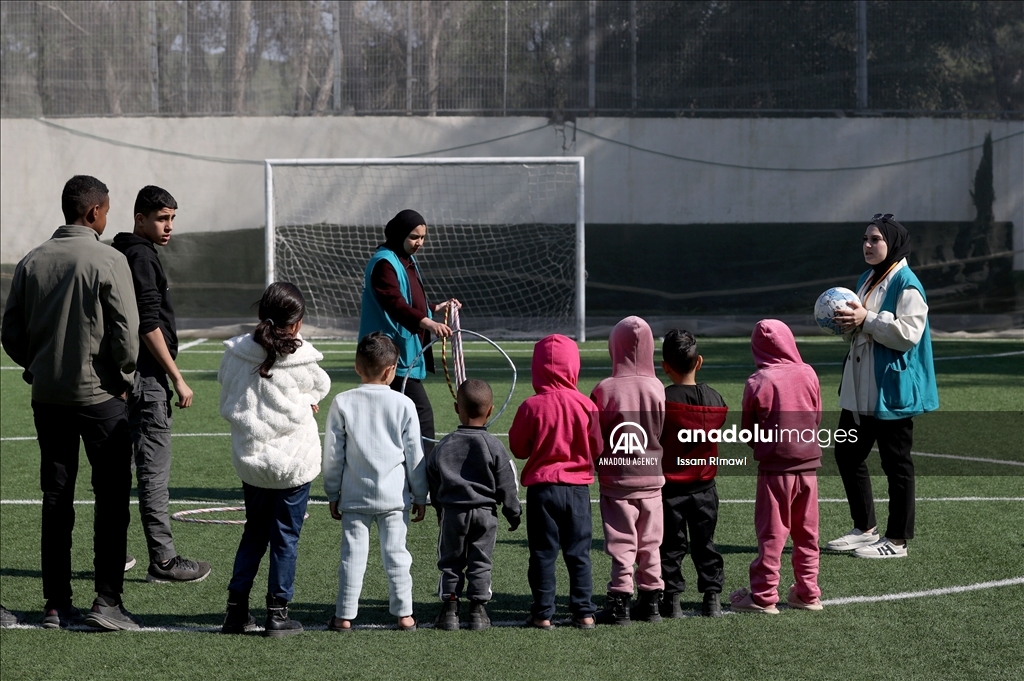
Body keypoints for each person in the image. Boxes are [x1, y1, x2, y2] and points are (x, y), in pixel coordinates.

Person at [1, 175, 142, 630]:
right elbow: (127, 333)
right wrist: (121, 377)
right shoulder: (108, 258)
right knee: (112, 498)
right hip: (100, 397)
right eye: (107, 209)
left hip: (49, 398)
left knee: (56, 498)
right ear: (94, 212)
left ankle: (56, 605)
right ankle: (107, 602)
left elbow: (11, 333)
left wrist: (37, 367)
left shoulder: (31, 260)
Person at [217, 282, 331, 637]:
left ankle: (236, 612)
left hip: (253, 462)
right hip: (294, 464)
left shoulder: (236, 353)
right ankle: (278, 615)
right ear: (296, 324)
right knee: (286, 538)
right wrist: (307, 399)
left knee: (254, 532)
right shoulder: (303, 357)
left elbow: (226, 386)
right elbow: (322, 385)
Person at [111, 185, 210, 584]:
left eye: (172, 218)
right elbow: (147, 323)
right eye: (161, 219)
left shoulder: (121, 251)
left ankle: (112, 553)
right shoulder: (141, 257)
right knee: (153, 473)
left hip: (119, 378)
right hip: (145, 379)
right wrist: (178, 377)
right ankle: (164, 562)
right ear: (140, 219)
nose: (169, 226)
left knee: (116, 471)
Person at [828, 214, 938, 559]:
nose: (867, 245)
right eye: (864, 239)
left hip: (890, 390)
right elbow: (860, 327)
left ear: (893, 243)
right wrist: (844, 323)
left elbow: (908, 335)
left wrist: (866, 320)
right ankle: (865, 528)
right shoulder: (867, 278)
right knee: (847, 455)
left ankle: (898, 540)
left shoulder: (907, 283)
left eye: (875, 239)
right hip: (858, 390)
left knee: (897, 465)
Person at [322, 332, 428, 632]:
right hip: (395, 497)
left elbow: (333, 453)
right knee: (397, 555)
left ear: (357, 366)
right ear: (390, 370)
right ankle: (405, 614)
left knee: (352, 556)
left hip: (354, 496)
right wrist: (420, 494)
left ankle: (344, 615)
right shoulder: (404, 403)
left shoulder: (342, 402)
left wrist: (332, 491)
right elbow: (415, 454)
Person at [509, 334, 602, 630]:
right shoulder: (587, 405)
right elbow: (598, 447)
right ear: (574, 366)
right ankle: (584, 612)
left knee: (542, 554)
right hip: (577, 491)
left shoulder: (531, 406)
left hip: (542, 490)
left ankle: (542, 613)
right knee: (579, 553)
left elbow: (519, 448)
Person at [730, 320, 823, 614]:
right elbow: (816, 415)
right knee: (807, 533)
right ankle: (808, 593)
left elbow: (748, 429)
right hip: (808, 466)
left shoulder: (758, 381)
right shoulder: (808, 373)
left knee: (772, 532)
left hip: (775, 469)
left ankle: (763, 595)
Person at [359, 209, 460, 456]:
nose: (420, 243)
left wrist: (436, 308)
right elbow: (395, 303)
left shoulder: (404, 259)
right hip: (389, 355)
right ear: (399, 234)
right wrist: (428, 323)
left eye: (423, 237)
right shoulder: (384, 263)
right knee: (420, 413)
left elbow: (412, 299)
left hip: (402, 354)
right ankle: (424, 473)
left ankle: (404, 468)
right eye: (414, 237)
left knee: (398, 416)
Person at [427, 378, 522, 632]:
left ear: (457, 408)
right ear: (490, 410)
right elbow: (508, 482)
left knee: (450, 560)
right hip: (485, 514)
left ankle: (449, 610)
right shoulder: (494, 446)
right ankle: (478, 611)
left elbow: (433, 479)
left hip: (453, 513)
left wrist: (439, 509)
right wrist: (513, 512)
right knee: (481, 560)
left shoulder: (444, 445)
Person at [589, 317, 666, 626]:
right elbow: (659, 429)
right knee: (650, 542)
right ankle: (651, 601)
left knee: (621, 542)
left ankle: (620, 600)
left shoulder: (605, 389)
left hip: (617, 478)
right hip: (651, 478)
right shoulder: (656, 386)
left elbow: (596, 436)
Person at [658, 329, 727, 619]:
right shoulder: (714, 398)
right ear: (699, 361)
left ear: (664, 367)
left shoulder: (662, 400)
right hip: (704, 487)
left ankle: (672, 600)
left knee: (671, 547)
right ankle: (712, 598)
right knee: (705, 544)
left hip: (670, 489)